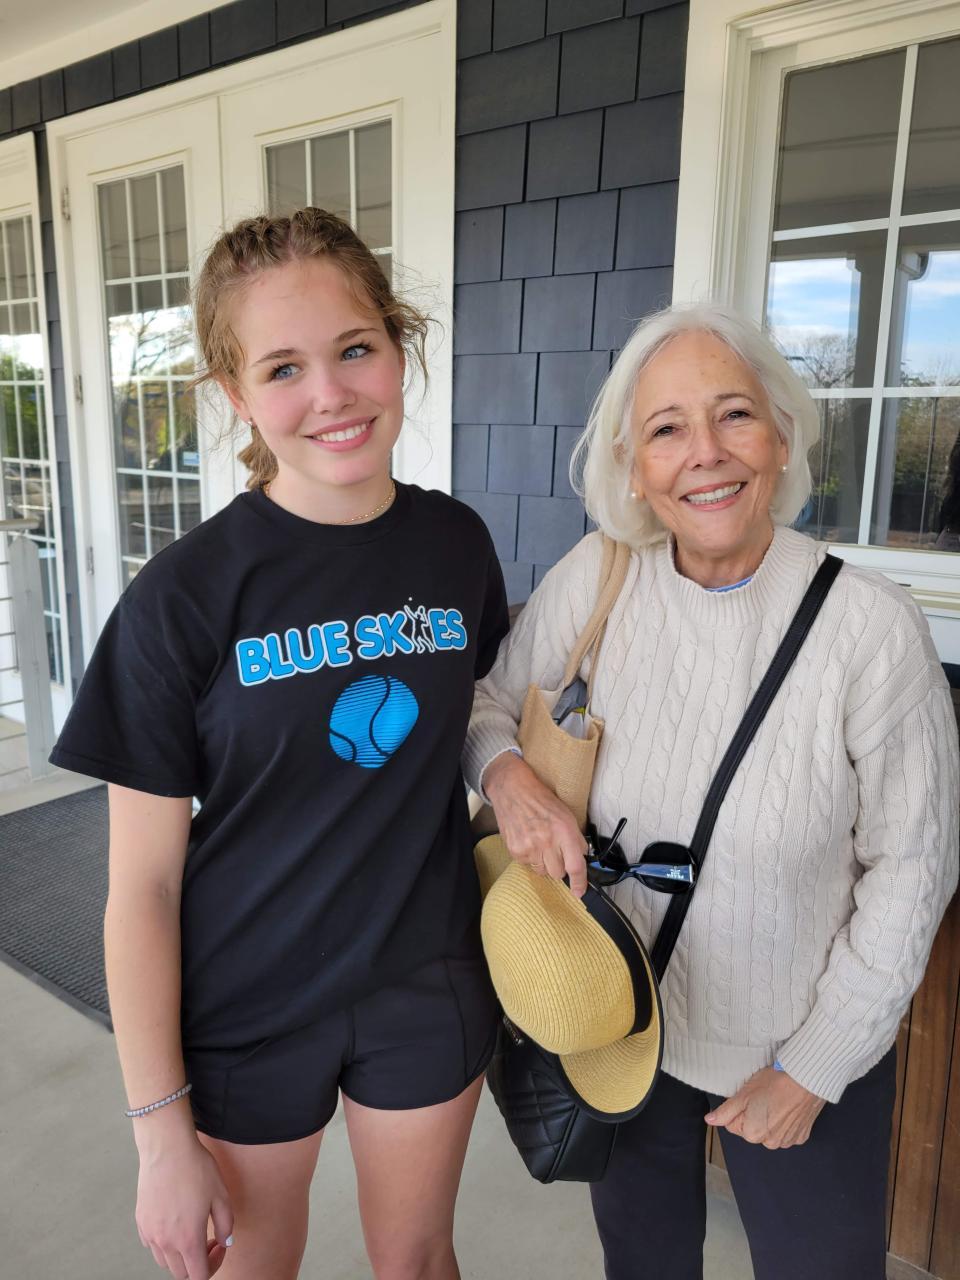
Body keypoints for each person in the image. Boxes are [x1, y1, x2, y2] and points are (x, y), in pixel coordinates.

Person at [50, 209, 508, 1280]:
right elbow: (144, 886)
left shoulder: (456, 544)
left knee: (419, 1260)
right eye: (284, 368)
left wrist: (516, 776)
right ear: (236, 394)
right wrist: (159, 1132)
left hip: (424, 970)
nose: (331, 394)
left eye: (355, 348)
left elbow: (480, 711)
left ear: (398, 345)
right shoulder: (183, 597)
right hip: (247, 992)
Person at [463, 303, 959, 1280]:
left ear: (781, 437)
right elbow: (485, 705)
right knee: (643, 1263)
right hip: (623, 1026)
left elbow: (914, 866)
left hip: (793, 1050)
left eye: (734, 414)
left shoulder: (869, 629)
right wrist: (509, 776)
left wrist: (815, 1066)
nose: (705, 453)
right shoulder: (601, 575)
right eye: (667, 428)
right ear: (634, 467)